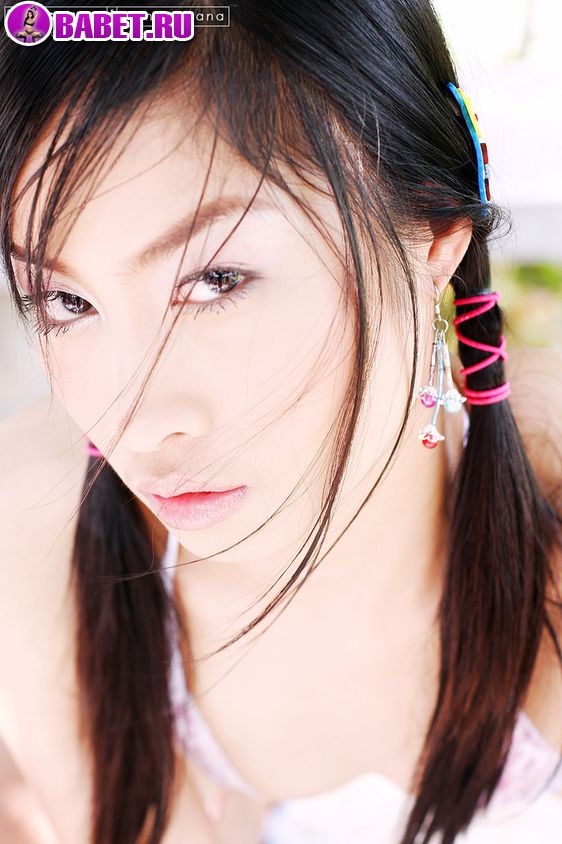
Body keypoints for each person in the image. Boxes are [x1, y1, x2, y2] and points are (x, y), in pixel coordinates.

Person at [0, 1, 561, 842]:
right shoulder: (37, 524)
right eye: (66, 301)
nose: (134, 422)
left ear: (432, 239)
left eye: (217, 279)